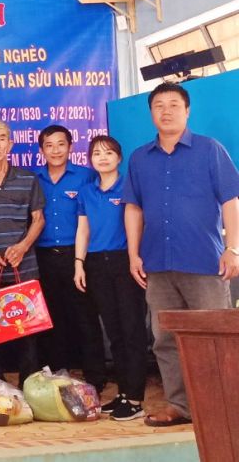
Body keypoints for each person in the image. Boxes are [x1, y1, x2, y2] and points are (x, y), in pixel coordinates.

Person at [124, 82, 239, 427]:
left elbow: (231, 200)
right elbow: (133, 208)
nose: (166, 111)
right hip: (157, 264)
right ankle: (180, 406)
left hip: (204, 262)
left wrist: (233, 248)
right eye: (159, 105)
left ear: (187, 111)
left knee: (215, 337)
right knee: (165, 339)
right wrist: (133, 254)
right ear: (151, 113)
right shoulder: (139, 158)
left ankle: (224, 406)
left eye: (174, 104)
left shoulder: (209, 149)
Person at [73, 135, 148, 421]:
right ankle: (124, 392)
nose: (102, 158)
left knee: (132, 330)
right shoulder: (86, 191)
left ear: (119, 157)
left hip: (124, 262)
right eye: (96, 153)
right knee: (114, 333)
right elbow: (83, 230)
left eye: (108, 153)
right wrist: (79, 264)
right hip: (96, 263)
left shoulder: (130, 186)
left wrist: (135, 258)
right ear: (90, 160)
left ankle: (136, 399)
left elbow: (139, 224)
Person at [0, 121, 44, 386]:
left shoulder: (28, 179)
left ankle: (30, 385)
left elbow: (38, 219)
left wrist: (23, 247)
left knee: (29, 331)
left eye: (2, 139)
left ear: (10, 144)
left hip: (24, 267)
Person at [34, 125, 106, 392]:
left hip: (77, 257)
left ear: (71, 146)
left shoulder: (87, 176)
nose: (55, 150)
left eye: (61, 144)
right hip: (43, 257)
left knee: (85, 317)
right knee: (50, 319)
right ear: (42, 150)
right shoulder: (34, 179)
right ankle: (56, 376)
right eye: (49, 145)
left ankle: (95, 376)